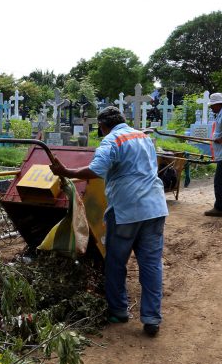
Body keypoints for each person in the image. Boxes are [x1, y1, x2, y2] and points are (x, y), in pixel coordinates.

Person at [50, 106, 168, 337]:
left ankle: (119, 311)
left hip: (126, 211)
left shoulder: (111, 140)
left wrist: (66, 170)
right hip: (155, 208)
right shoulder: (144, 137)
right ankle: (152, 318)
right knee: (151, 264)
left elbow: (96, 169)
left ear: (104, 126)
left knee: (115, 262)